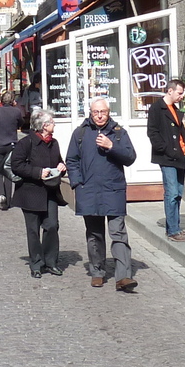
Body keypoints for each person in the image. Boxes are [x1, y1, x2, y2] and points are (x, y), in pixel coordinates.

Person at [66, 96, 138, 291]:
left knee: (118, 233)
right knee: (94, 235)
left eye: (103, 112)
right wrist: (77, 183)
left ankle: (123, 276)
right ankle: (97, 271)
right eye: (96, 112)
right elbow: (71, 160)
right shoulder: (80, 133)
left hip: (113, 190)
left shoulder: (118, 133)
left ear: (109, 112)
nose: (99, 116)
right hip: (88, 190)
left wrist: (111, 146)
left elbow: (130, 157)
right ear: (90, 113)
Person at [10, 109, 67, 277]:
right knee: (33, 229)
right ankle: (36, 263)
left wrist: (61, 168)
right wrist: (37, 172)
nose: (54, 124)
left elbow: (58, 162)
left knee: (51, 226)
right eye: (52, 123)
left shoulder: (53, 143)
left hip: (50, 192)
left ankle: (51, 262)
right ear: (44, 126)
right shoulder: (26, 143)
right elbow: (17, 165)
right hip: (30, 193)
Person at [147, 76, 185, 242]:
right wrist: (165, 149)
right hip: (168, 157)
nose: (182, 96)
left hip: (180, 157)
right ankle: (173, 231)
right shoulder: (157, 108)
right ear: (170, 90)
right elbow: (152, 132)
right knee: (172, 192)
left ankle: (175, 228)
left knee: (178, 193)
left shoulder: (175, 109)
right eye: (180, 93)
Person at [0, 90, 27, 209]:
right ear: (13, 101)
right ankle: (8, 200)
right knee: (8, 170)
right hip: (11, 145)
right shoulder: (16, 112)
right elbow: (22, 122)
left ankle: (1, 194)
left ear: (1, 101)